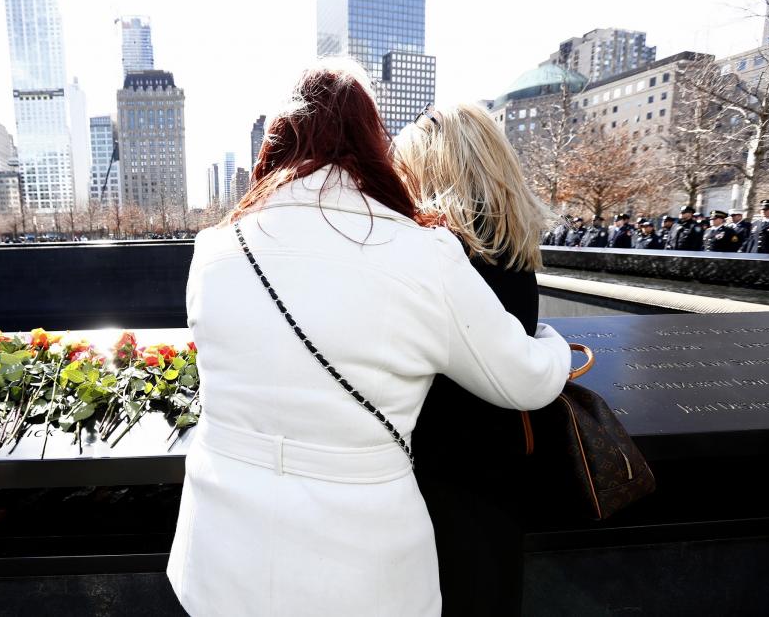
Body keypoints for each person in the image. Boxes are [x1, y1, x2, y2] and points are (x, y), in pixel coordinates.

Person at [166, 65, 571, 617]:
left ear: (276, 142)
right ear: (374, 142)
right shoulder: (422, 254)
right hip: (359, 573)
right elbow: (524, 379)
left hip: (218, 558)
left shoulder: (212, 250)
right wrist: (553, 343)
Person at [392, 102, 564, 615]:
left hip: (436, 477)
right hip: (500, 473)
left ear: (430, 171)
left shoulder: (438, 255)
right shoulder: (512, 248)